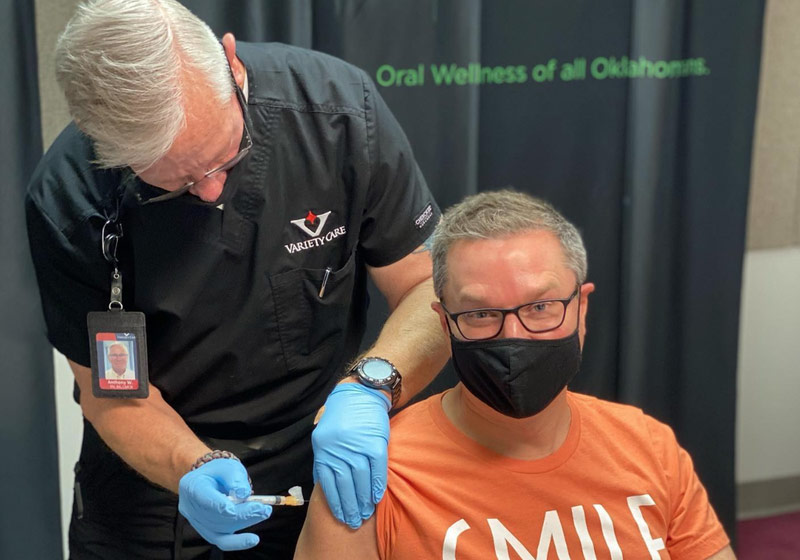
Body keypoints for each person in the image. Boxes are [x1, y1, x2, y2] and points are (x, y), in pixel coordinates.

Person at [25, 0, 448, 557]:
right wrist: (191, 467)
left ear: (228, 60)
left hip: (324, 465)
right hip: (156, 496)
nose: (210, 192)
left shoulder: (338, 113)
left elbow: (429, 288)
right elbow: (113, 393)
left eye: (224, 159)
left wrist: (371, 387)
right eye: (174, 182)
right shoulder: (70, 195)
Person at [295, 190, 735, 560]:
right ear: (445, 323)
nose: (513, 334)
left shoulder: (649, 448)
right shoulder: (372, 477)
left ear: (581, 309)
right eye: (482, 313)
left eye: (540, 307)